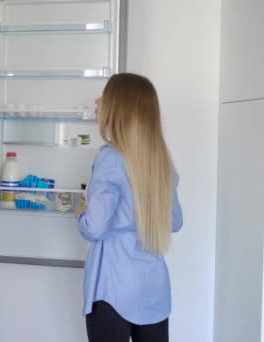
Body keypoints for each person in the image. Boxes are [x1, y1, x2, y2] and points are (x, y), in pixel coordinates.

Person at [76, 73, 183, 342]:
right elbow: (174, 221)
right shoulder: (160, 161)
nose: (98, 100)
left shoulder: (111, 159)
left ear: (120, 107)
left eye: (105, 95)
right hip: (153, 287)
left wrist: (81, 215)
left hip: (114, 289)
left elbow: (95, 227)